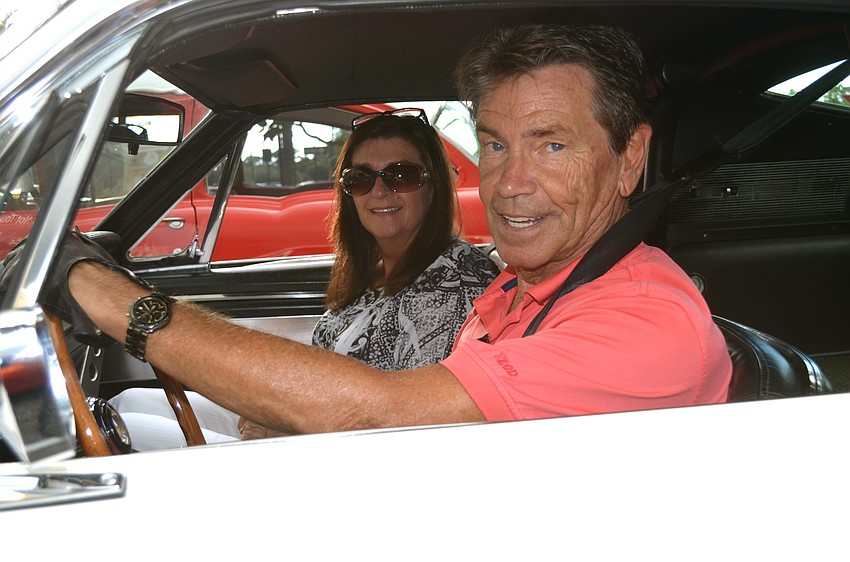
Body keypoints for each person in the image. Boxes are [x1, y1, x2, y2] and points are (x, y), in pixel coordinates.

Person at [10, 22, 731, 439]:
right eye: (496, 144)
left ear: (629, 156)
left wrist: (105, 295)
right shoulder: (521, 287)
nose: (510, 183)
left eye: (551, 144)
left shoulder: (646, 321)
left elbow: (376, 408)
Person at [110, 109, 500, 447]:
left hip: (339, 449)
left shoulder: (454, 282)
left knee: (128, 429)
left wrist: (293, 429)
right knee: (130, 402)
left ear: (432, 187)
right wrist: (279, 408)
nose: (379, 190)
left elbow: (412, 421)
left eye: (401, 175)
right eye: (360, 178)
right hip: (311, 417)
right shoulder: (374, 270)